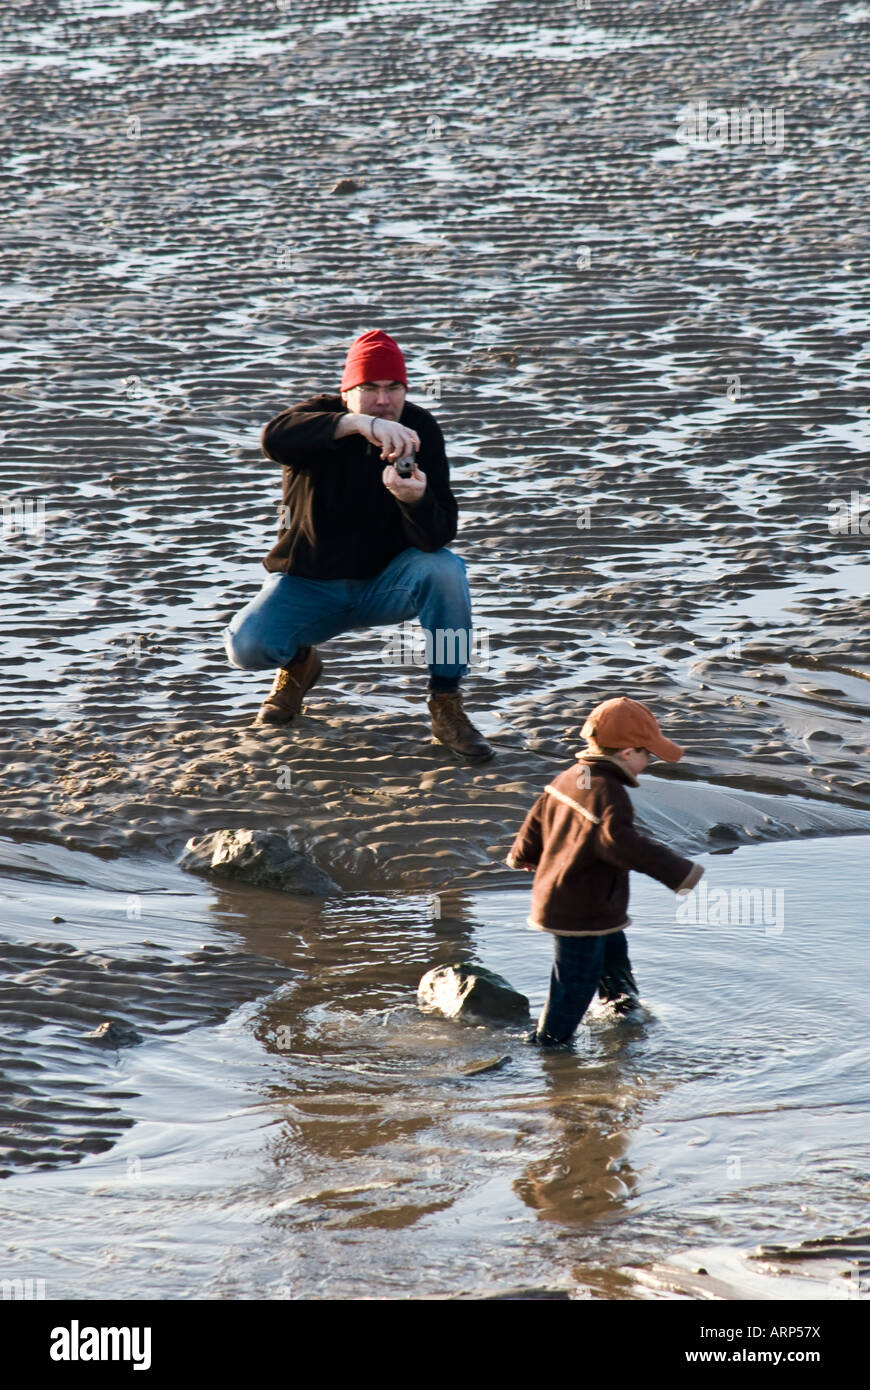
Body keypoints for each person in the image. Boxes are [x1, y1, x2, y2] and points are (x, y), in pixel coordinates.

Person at [223, 330, 493, 761]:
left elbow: (438, 534)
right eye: (369, 389)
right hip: (310, 585)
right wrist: (357, 424)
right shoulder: (318, 420)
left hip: (388, 585)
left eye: (394, 389)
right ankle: (298, 666)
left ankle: (446, 702)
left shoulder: (420, 429)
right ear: (346, 391)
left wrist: (415, 501)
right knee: (246, 647)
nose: (384, 402)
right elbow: (273, 440)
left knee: (445, 569)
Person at [506, 695, 705, 1046]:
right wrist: (680, 872)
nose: (649, 763)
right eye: (649, 755)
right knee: (575, 979)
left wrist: (523, 853)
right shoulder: (607, 790)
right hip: (581, 907)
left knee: (613, 946)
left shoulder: (575, 776)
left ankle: (621, 1004)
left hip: (575, 897)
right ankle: (550, 1044)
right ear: (628, 752)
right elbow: (619, 842)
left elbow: (539, 814)